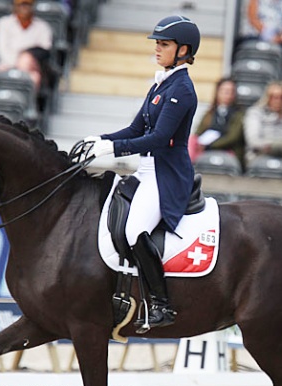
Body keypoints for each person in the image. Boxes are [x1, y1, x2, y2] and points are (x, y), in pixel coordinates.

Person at [83, 15, 200, 333]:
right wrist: (102, 139)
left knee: (136, 230)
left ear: (183, 49)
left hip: (166, 174)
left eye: (164, 44)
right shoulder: (161, 83)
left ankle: (162, 304)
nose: (158, 49)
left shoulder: (182, 90)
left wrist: (114, 150)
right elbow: (136, 128)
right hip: (145, 169)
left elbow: (159, 138)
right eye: (158, 44)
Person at [0, 0, 53, 90]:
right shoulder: (4, 23)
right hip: (7, 66)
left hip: (32, 67)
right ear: (15, 6)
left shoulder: (43, 26)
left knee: (34, 77)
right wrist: (19, 64)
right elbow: (1, 50)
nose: (24, 8)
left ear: (33, 6)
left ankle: (29, 104)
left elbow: (45, 49)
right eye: (21, 5)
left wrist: (26, 59)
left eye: (27, 5)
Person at [190, 77, 246, 167]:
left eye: (231, 91)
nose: (227, 94)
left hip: (229, 150)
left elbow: (233, 137)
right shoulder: (209, 113)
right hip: (207, 150)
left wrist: (210, 145)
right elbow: (199, 132)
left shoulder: (239, 115)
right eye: (224, 91)